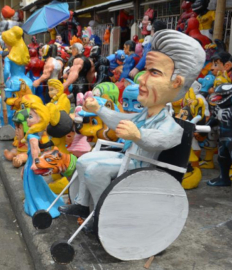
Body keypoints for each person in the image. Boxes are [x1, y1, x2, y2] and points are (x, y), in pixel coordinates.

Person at [59, 30, 205, 219]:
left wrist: (138, 135)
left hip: (140, 168)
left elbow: (163, 140)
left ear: (176, 82)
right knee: (83, 160)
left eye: (154, 72)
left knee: (95, 171)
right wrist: (99, 110)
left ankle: (101, 213)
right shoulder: (144, 114)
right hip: (127, 159)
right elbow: (121, 120)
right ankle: (82, 204)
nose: (142, 79)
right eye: (145, 71)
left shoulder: (171, 125)